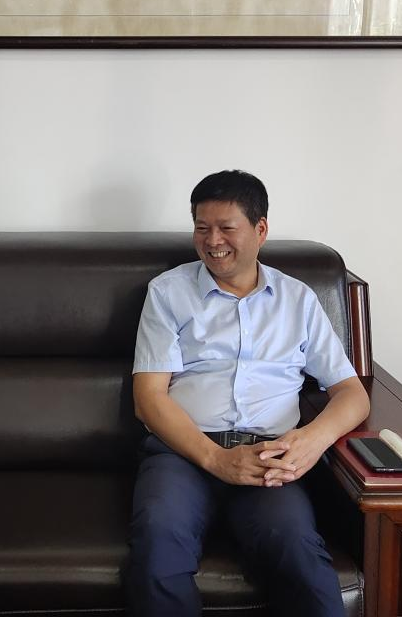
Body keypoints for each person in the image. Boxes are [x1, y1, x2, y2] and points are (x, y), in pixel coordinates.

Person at [128, 170, 370, 617]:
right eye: (202, 228)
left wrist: (311, 441)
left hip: (269, 457)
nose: (212, 241)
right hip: (183, 453)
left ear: (260, 230)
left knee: (297, 550)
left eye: (226, 228)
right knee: (158, 539)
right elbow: (149, 399)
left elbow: (352, 393)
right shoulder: (168, 293)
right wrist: (216, 459)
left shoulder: (297, 300)